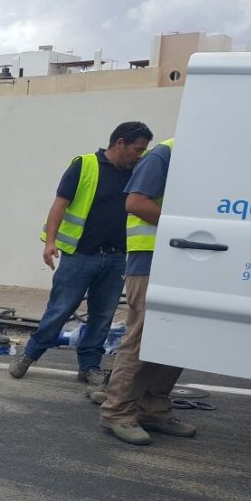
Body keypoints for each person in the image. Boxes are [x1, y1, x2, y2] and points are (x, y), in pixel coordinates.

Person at [9, 121, 153, 386]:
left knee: (103, 316)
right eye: (137, 149)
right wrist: (49, 242)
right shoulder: (85, 165)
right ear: (120, 142)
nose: (140, 155)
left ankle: (89, 367)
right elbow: (60, 205)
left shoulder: (137, 173)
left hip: (117, 258)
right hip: (81, 255)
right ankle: (29, 354)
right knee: (60, 310)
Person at [96, 139, 195, 445]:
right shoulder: (166, 153)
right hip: (152, 260)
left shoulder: (211, 156)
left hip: (191, 261)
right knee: (142, 337)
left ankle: (154, 408)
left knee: (178, 338)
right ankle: (118, 412)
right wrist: (190, 230)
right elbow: (136, 202)